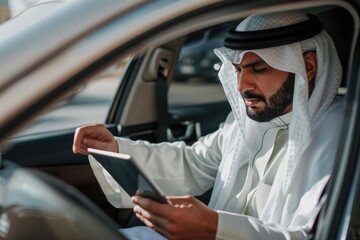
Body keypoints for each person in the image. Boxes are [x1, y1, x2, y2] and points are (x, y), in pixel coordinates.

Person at [72, 11, 345, 240]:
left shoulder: (340, 136)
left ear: (307, 67)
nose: (242, 86)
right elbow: (193, 162)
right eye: (237, 70)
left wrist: (214, 228)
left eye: (259, 69)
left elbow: (315, 234)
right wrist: (115, 149)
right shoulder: (243, 124)